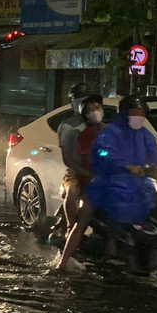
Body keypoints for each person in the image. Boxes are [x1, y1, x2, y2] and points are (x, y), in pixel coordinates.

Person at [85, 94, 157, 237]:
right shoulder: (111, 132)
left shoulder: (144, 134)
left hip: (138, 182)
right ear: (125, 113)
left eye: (142, 113)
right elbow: (103, 152)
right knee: (116, 207)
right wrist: (125, 166)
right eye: (135, 113)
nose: (139, 116)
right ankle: (111, 247)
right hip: (112, 180)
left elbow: (155, 154)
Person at [54, 95, 107, 273]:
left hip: (106, 178)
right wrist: (92, 172)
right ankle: (63, 262)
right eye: (91, 109)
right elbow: (76, 159)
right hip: (80, 175)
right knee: (80, 210)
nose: (96, 111)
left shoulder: (111, 131)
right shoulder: (76, 131)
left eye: (98, 107)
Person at [57, 84, 94, 235]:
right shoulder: (67, 126)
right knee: (72, 192)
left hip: (98, 171)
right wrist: (85, 172)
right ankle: (70, 229)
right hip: (75, 172)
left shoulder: (97, 124)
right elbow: (67, 159)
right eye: (78, 99)